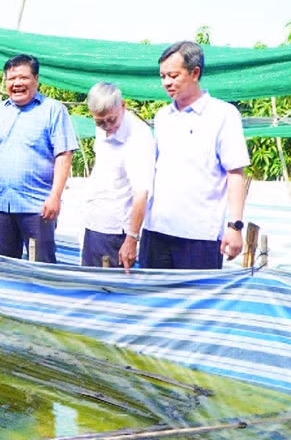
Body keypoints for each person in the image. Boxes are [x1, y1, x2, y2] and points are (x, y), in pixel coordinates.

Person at [139, 41, 250, 269]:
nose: (166, 83)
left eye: (173, 75)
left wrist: (235, 226)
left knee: (196, 302)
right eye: (162, 76)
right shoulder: (162, 117)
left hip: (200, 235)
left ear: (195, 72)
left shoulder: (223, 115)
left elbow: (235, 173)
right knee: (153, 302)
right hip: (156, 230)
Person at [0, 54, 79, 263]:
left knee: (42, 266)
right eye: (11, 79)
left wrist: (55, 196)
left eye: (23, 78)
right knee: (2, 266)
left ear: (36, 79)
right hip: (3, 205)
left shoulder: (53, 110)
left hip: (38, 208)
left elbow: (64, 155)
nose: (17, 84)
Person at [82, 82, 155, 273]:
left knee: (110, 294)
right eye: (99, 122)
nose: (107, 127)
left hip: (116, 233)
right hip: (95, 223)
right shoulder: (103, 128)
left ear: (122, 105)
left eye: (111, 120)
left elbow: (142, 193)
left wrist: (131, 239)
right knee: (88, 290)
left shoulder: (139, 137)